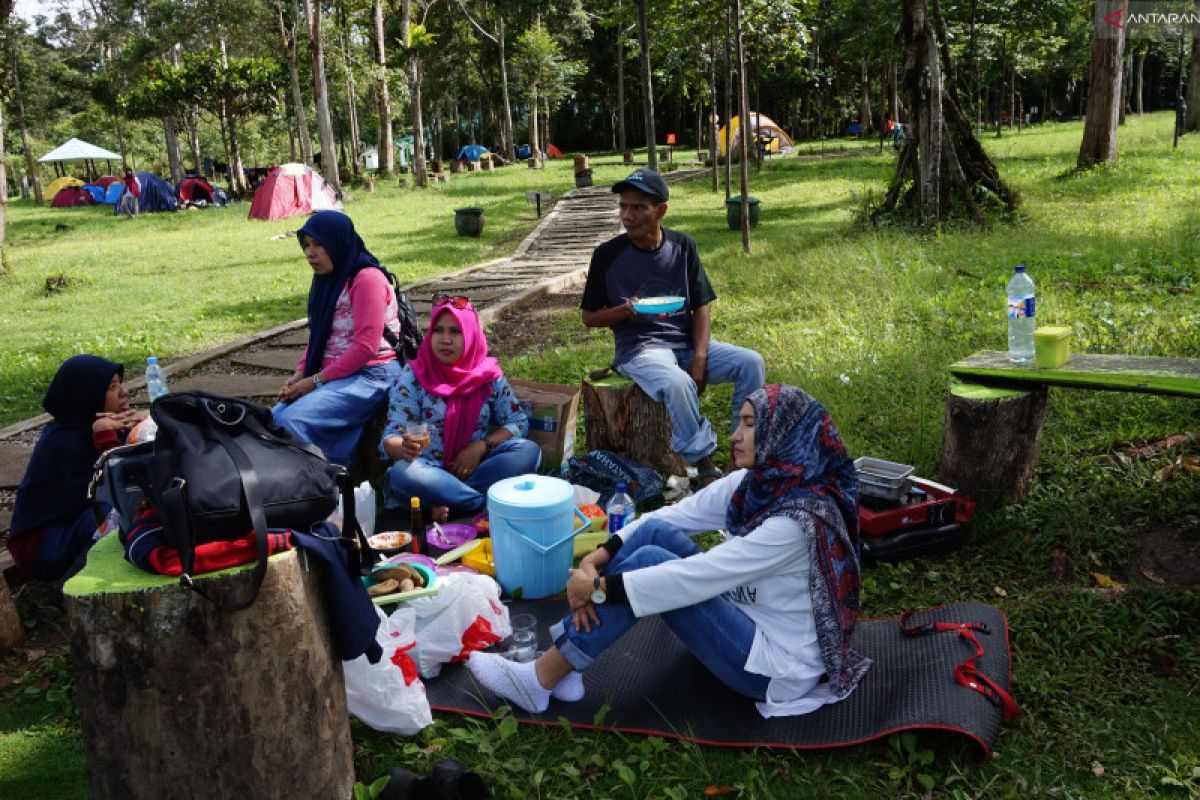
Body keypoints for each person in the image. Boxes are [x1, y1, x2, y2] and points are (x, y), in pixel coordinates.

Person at [466, 384, 871, 718]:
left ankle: (539, 679)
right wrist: (593, 561)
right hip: (745, 616)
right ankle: (565, 666)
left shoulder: (797, 522)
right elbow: (671, 517)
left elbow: (699, 577)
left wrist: (600, 588)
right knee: (656, 532)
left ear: (784, 435)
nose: (735, 435)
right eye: (741, 422)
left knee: (653, 563)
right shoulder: (757, 484)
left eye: (750, 424)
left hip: (770, 667)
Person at [581, 168, 765, 487]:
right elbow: (589, 317)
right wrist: (624, 310)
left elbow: (701, 305)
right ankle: (704, 466)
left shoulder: (683, 246)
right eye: (623, 206)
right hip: (640, 350)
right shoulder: (607, 255)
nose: (627, 215)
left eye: (638, 207)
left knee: (751, 362)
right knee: (678, 384)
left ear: (661, 210)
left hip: (683, 343)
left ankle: (740, 458)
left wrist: (701, 356)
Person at [381, 294, 540, 524]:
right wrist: (402, 447)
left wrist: (480, 447)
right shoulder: (413, 376)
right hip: (428, 473)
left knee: (528, 451)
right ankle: (481, 504)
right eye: (439, 330)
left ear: (471, 335)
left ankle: (447, 504)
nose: (445, 339)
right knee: (402, 474)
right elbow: (390, 438)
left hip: (475, 469)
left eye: (455, 332)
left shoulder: (488, 376)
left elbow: (518, 422)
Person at [272, 211, 402, 466]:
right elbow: (321, 334)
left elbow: (366, 347)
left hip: (374, 374)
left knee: (291, 422)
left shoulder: (366, 279)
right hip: (339, 374)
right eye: (306, 245)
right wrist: (300, 374)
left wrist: (315, 381)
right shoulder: (328, 280)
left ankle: (324, 481)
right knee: (272, 420)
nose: (310, 253)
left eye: (318, 244)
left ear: (337, 241)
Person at [8, 355, 146, 583]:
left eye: (121, 382)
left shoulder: (93, 424)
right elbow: (121, 483)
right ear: (87, 396)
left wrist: (145, 422)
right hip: (42, 545)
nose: (124, 392)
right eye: (112, 387)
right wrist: (104, 436)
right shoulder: (63, 443)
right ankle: (68, 583)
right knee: (123, 511)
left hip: (74, 524)